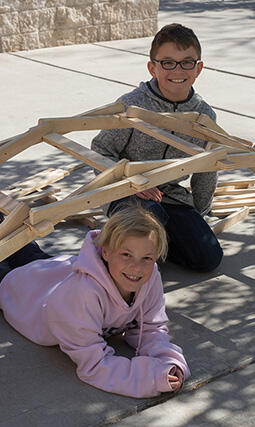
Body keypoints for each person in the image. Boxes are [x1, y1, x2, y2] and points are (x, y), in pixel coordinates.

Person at [0, 205, 190, 398]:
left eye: (147, 257)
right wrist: (151, 378)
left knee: (30, 252)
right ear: (105, 252)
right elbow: (94, 365)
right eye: (126, 254)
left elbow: (151, 328)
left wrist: (168, 362)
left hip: (56, 270)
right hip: (25, 296)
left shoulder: (148, 275)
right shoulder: (82, 296)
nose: (137, 267)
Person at [91, 23, 223, 273]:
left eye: (187, 62)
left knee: (208, 258)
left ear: (199, 68)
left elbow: (207, 170)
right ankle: (125, 248)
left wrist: (199, 216)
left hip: (171, 196)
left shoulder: (204, 116)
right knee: (151, 217)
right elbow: (99, 151)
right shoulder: (132, 105)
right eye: (168, 62)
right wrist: (133, 180)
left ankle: (149, 247)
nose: (177, 70)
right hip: (125, 191)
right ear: (152, 67)